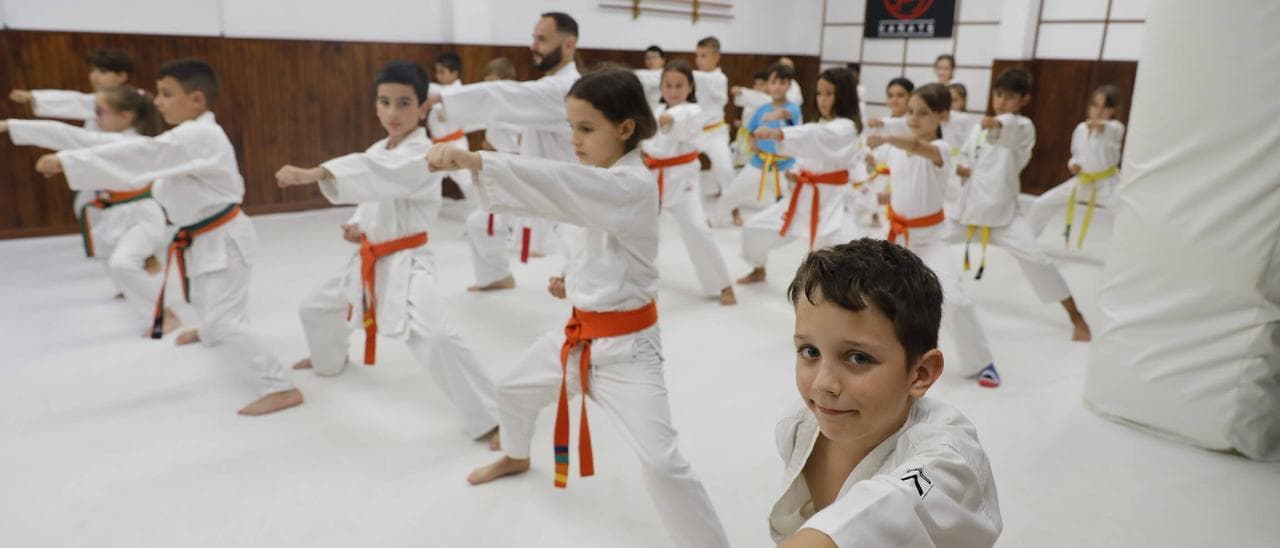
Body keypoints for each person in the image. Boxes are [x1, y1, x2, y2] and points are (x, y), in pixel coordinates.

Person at [430, 67, 729, 548]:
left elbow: (560, 185)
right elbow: (595, 238)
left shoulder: (631, 183)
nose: (573, 139)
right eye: (569, 127)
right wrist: (569, 277)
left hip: (629, 350)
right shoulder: (605, 176)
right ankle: (516, 453)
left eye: (585, 128)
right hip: (579, 332)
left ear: (625, 128)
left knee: (661, 463)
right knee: (511, 390)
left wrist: (476, 160)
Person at [35, 59, 303, 415]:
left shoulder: (199, 136)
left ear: (196, 98)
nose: (158, 103)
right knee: (207, 301)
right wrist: (36, 135)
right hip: (202, 235)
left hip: (224, 234)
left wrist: (70, 163)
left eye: (166, 94)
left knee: (227, 316)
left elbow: (140, 155)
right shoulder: (185, 137)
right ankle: (210, 330)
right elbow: (114, 145)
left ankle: (281, 387)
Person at [275, 60, 500, 443]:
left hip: (408, 260)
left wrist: (318, 173)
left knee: (435, 337)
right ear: (375, 105)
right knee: (315, 307)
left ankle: (492, 417)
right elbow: (373, 187)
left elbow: (383, 174)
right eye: (385, 103)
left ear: (423, 107)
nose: (393, 113)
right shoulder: (380, 147)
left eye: (404, 103)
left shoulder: (424, 153)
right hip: (370, 256)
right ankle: (329, 358)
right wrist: (359, 224)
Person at [770, 238, 1001, 547]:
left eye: (858, 358)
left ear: (921, 373)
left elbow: (893, 504)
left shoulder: (949, 456)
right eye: (809, 351)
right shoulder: (799, 427)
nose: (823, 384)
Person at [2, 85, 179, 334]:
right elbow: (78, 141)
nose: (95, 117)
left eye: (100, 112)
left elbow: (75, 140)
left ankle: (165, 314)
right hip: (117, 211)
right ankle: (137, 280)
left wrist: (60, 160)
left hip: (141, 215)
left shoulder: (133, 142)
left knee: (122, 263)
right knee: (109, 256)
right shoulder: (119, 139)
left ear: (126, 116)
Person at [429, 12, 582, 292]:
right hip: (534, 183)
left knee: (580, 249)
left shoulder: (565, 88)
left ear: (569, 44)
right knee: (480, 221)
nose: (533, 45)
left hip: (565, 191)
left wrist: (442, 97)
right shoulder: (549, 86)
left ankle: (603, 311)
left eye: (542, 39)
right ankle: (496, 276)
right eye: (533, 38)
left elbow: (502, 96)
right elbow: (502, 107)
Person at [865, 83, 1001, 387]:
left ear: (941, 116)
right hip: (896, 238)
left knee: (955, 301)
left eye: (923, 113)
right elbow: (885, 166)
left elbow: (914, 147)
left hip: (929, 239)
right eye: (910, 112)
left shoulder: (939, 149)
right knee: (876, 297)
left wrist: (885, 135)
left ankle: (981, 361)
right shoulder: (897, 148)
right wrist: (871, 159)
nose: (913, 118)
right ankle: (878, 353)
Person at [949, 68, 1092, 342]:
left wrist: (995, 125)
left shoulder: (1022, 128)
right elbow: (966, 157)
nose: (1001, 101)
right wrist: (964, 168)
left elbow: (1006, 130)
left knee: (1038, 260)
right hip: (967, 212)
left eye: (1010, 97)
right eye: (998, 94)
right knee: (924, 241)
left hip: (1004, 216)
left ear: (1024, 100)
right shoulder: (980, 127)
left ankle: (1077, 317)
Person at [737, 67, 864, 284]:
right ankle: (759, 267)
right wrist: (795, 172)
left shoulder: (846, 128)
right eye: (819, 93)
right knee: (753, 229)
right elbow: (806, 153)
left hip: (831, 203)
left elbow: (816, 137)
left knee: (837, 257)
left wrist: (780, 133)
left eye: (829, 94)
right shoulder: (821, 124)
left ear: (844, 96)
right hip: (801, 199)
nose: (822, 100)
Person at [641, 59, 736, 305]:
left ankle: (723, 284)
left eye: (679, 86)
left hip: (683, 182)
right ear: (661, 87)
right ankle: (639, 282)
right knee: (638, 231)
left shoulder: (693, 111)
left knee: (697, 228)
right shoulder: (653, 109)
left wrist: (666, 120)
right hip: (652, 179)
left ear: (690, 87)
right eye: (668, 86)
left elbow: (676, 119)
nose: (673, 91)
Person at [1025, 84, 1126, 249]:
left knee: (1129, 212)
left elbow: (1109, 129)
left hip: (1108, 185)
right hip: (1082, 182)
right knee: (1041, 204)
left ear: (1114, 110)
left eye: (1105, 107)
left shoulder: (1115, 128)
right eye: (1095, 105)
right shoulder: (1080, 128)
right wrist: (1074, 165)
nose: (1099, 111)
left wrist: (1100, 126)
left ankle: (1130, 251)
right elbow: (1075, 155)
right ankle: (1026, 242)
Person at [715, 62, 802, 226]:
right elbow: (750, 130)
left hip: (783, 167)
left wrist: (776, 115)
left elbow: (787, 114)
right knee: (732, 192)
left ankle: (787, 225)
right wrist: (752, 141)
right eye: (773, 82)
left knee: (790, 201)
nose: (777, 87)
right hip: (759, 162)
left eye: (782, 83)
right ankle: (715, 219)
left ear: (789, 85)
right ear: (768, 85)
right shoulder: (762, 108)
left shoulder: (793, 108)